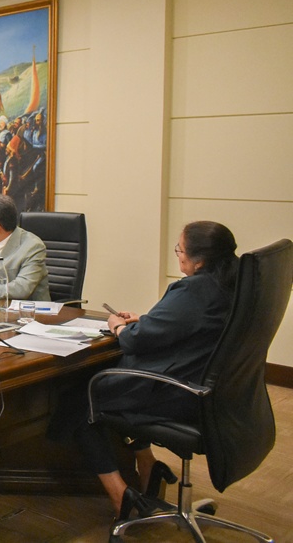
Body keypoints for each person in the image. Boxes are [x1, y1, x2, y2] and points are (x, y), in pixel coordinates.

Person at [48, 221, 239, 519]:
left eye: (180, 250)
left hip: (176, 391)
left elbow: (135, 342)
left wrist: (119, 326)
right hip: (208, 390)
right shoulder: (233, 286)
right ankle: (149, 465)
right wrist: (145, 321)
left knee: (80, 400)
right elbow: (190, 328)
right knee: (107, 386)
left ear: (199, 260)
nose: (178, 255)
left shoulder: (194, 289)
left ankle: (120, 496)